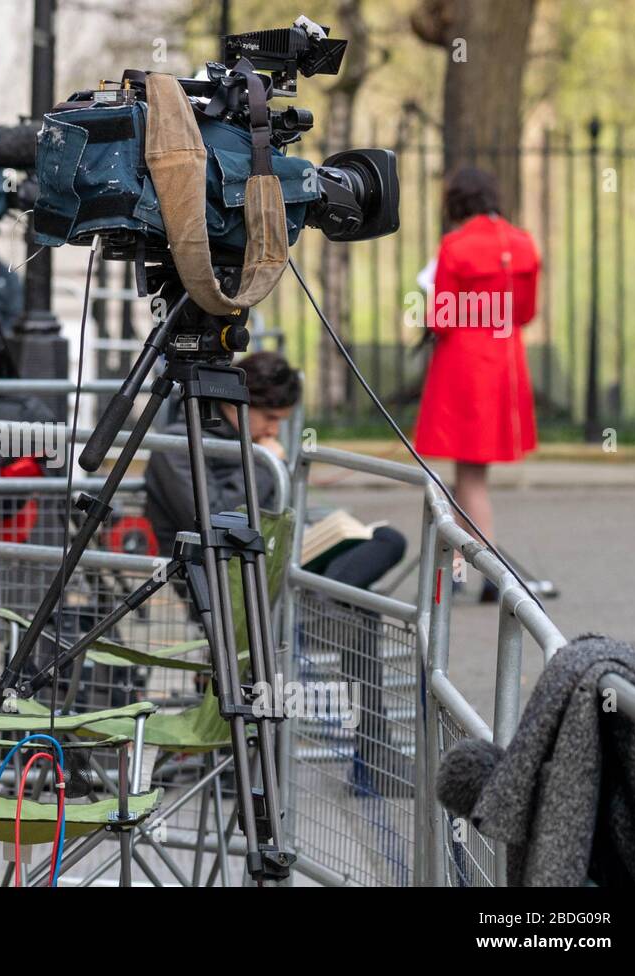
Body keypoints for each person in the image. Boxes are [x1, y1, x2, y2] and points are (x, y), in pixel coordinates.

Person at [144, 351, 411, 796]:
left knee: (388, 541)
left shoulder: (250, 446)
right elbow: (215, 521)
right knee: (361, 612)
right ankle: (373, 760)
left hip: (267, 570)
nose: (273, 430)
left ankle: (334, 594)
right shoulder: (179, 445)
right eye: (268, 417)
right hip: (228, 588)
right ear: (235, 403)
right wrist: (262, 465)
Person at [414, 166, 541, 602]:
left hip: (464, 364)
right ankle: (467, 564)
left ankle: (479, 566)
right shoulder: (523, 243)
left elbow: (443, 318)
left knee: (468, 471)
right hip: (504, 359)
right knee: (473, 469)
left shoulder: (456, 245)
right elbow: (525, 312)